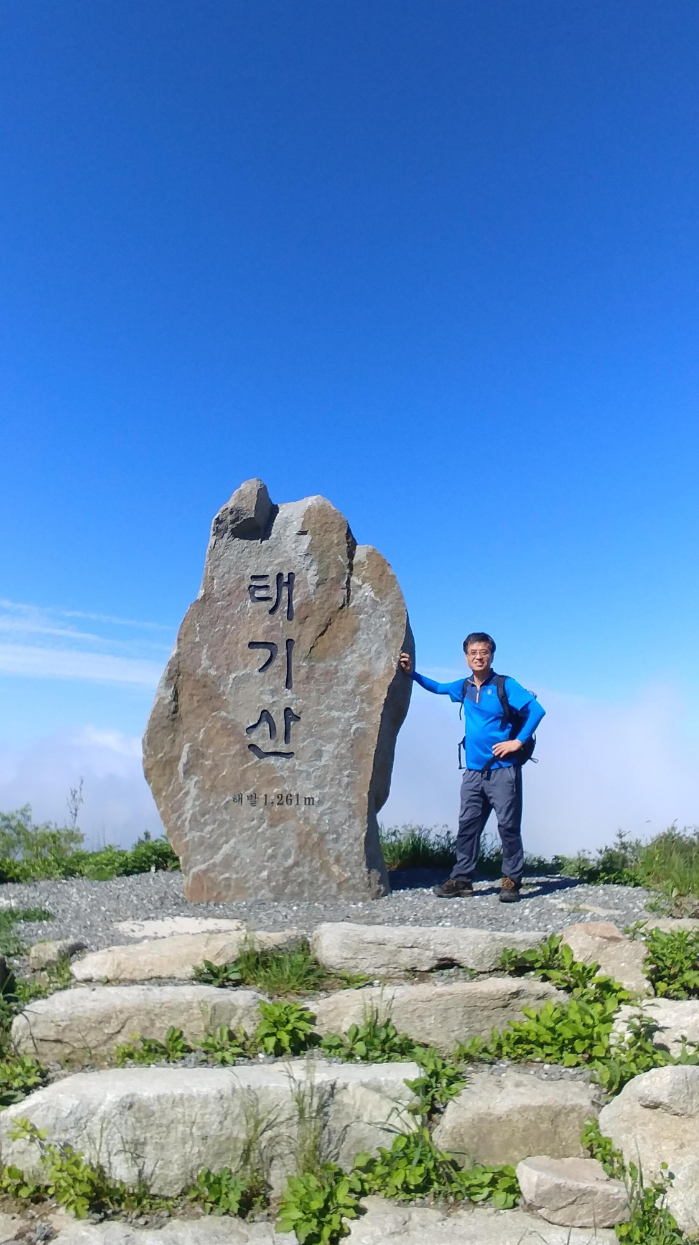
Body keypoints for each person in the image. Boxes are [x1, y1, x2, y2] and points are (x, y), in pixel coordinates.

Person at [398, 633, 545, 902]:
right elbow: (438, 687)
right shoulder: (464, 687)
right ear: (466, 657)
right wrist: (412, 674)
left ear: (491, 655)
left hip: (503, 769)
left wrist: (517, 742)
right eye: (473, 653)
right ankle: (462, 879)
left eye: (484, 652)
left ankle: (511, 880)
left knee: (508, 826)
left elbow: (536, 711)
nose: (479, 657)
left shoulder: (505, 685)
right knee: (468, 826)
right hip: (473, 771)